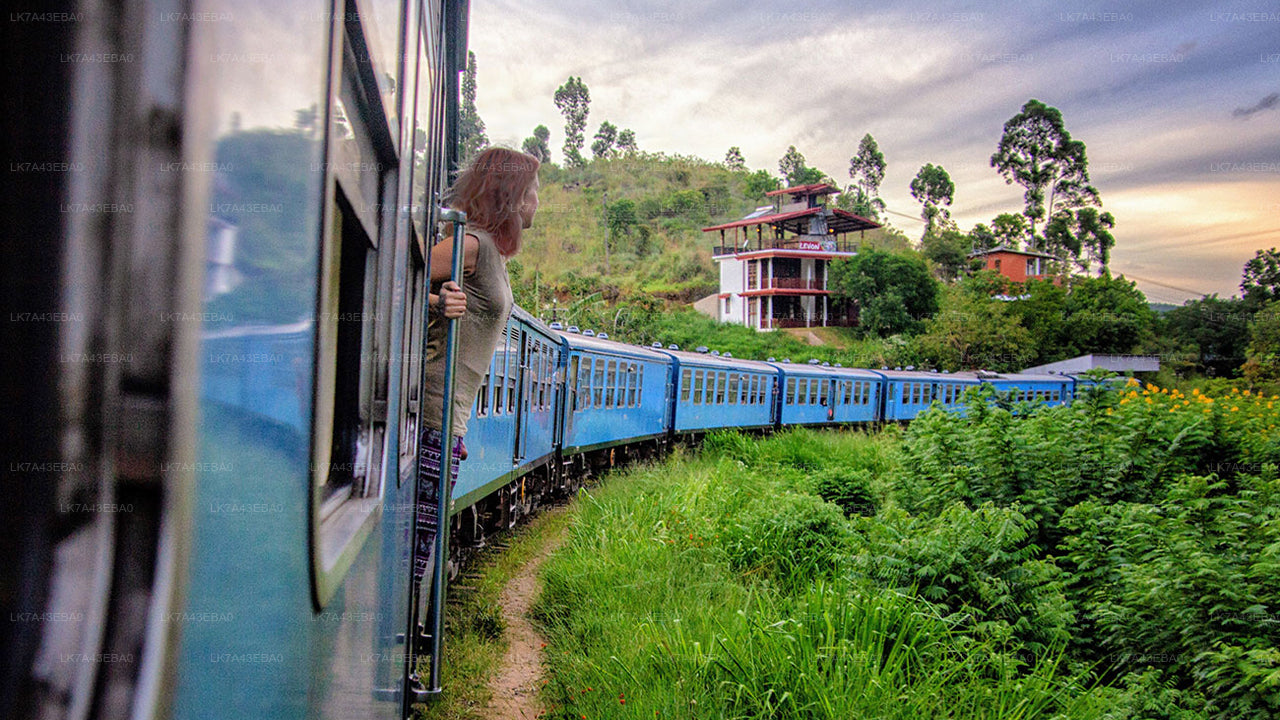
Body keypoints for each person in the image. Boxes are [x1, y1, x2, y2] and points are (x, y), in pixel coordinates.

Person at [414, 147, 540, 580]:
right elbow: (396, 274)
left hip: (450, 416)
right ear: (512, 195)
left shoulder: (494, 257)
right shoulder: (473, 245)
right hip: (434, 408)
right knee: (416, 545)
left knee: (423, 539)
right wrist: (436, 301)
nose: (537, 200)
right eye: (533, 189)